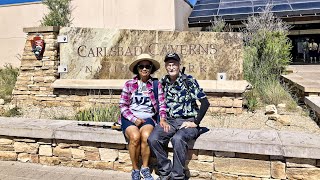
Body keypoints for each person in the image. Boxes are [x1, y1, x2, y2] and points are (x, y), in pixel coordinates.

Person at [148, 53, 210, 180]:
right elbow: (158, 102)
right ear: (166, 66)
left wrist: (196, 123)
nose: (171, 67)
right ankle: (165, 172)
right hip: (170, 122)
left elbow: (205, 103)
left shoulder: (189, 81)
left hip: (187, 121)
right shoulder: (163, 82)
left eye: (174, 64)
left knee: (178, 139)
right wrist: (162, 119)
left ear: (179, 65)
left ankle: (178, 176)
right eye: (169, 65)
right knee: (153, 139)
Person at [119, 53, 166, 180]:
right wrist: (134, 119)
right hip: (130, 117)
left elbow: (162, 104)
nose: (144, 69)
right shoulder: (129, 84)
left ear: (151, 69)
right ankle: (135, 169)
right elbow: (123, 106)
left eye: (147, 66)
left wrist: (162, 118)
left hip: (148, 118)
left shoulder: (156, 84)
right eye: (141, 66)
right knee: (135, 137)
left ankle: (145, 168)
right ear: (137, 68)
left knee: (146, 137)